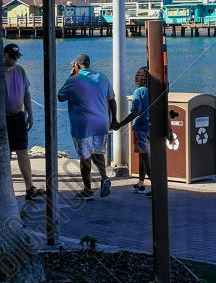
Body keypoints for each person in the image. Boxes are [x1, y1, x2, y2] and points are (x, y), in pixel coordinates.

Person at [57, 53, 118, 200]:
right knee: (97, 152)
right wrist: (114, 119)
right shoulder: (102, 77)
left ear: (77, 66)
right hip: (101, 123)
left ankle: (87, 190)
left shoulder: (74, 79)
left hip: (83, 125)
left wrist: (70, 77)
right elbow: (112, 100)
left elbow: (60, 96)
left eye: (74, 65)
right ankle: (104, 178)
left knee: (85, 157)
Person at [4, 43, 41, 199]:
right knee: (4, 154)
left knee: (23, 151)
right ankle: (6, 190)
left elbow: (26, 93)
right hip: (2, 118)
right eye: (12, 57)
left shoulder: (20, 70)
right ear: (5, 55)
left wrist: (30, 115)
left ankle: (30, 187)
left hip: (18, 117)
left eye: (17, 57)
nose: (14, 60)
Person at [110, 66, 152, 194]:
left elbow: (135, 112)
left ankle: (156, 189)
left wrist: (120, 124)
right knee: (143, 157)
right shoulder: (154, 91)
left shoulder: (138, 92)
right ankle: (140, 183)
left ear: (138, 79)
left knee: (146, 159)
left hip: (141, 129)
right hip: (152, 128)